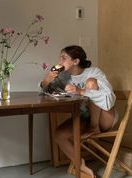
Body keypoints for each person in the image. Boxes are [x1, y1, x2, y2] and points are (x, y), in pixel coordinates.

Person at [40, 45, 117, 178]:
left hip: (104, 118)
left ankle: (94, 127)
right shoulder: (64, 77)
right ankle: (81, 165)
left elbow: (109, 100)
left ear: (75, 61)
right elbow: (43, 94)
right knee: (59, 135)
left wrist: (81, 91)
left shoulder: (94, 72)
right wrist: (46, 81)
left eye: (64, 58)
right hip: (84, 117)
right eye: (60, 58)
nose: (60, 62)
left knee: (91, 83)